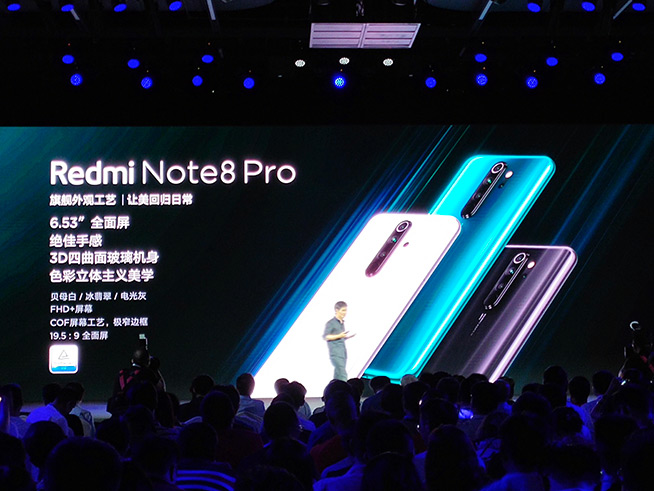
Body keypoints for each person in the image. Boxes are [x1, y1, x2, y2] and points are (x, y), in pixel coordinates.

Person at [323, 301, 353, 382]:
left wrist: (345, 337)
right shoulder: (331, 323)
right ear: (336, 310)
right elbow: (326, 337)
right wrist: (339, 336)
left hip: (342, 353)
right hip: (335, 353)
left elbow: (338, 337)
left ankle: (334, 387)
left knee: (338, 374)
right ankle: (345, 388)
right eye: (343, 310)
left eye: (346, 310)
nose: (345, 313)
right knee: (342, 374)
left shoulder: (342, 323)